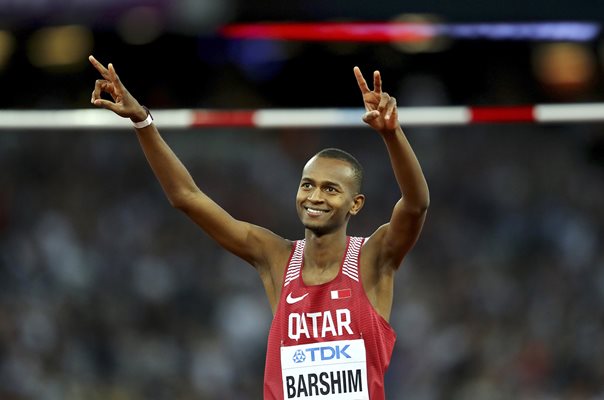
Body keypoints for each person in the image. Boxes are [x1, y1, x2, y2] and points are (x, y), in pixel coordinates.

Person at [89, 55, 429, 400]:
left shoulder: (374, 258)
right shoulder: (277, 258)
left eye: (331, 189)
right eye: (307, 184)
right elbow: (186, 197)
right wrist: (142, 121)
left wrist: (392, 135)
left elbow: (416, 205)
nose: (314, 196)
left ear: (355, 204)